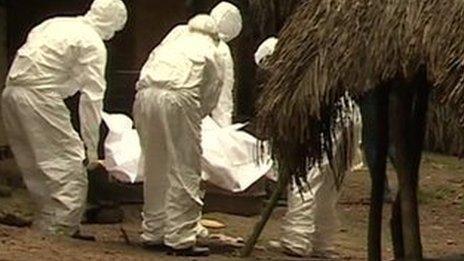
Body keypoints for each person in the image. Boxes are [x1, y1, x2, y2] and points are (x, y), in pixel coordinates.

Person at [2, 0, 127, 238]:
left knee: (36, 165)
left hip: (12, 91)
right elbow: (91, 100)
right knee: (68, 162)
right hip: (40, 96)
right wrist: (90, 148)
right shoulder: (92, 44)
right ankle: (61, 230)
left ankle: (46, 224)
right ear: (112, 23)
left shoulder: (55, 24)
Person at [133, 2, 242, 256]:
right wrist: (199, 118)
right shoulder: (213, 51)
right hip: (180, 98)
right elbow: (212, 94)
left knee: (155, 165)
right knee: (185, 168)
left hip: (145, 95)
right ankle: (180, 237)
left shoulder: (172, 42)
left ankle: (153, 231)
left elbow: (148, 68)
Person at [255, 37, 362, 258]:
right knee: (329, 185)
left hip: (330, 122)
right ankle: (321, 242)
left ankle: (297, 239)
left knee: (306, 178)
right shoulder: (315, 62)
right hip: (349, 118)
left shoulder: (298, 74)